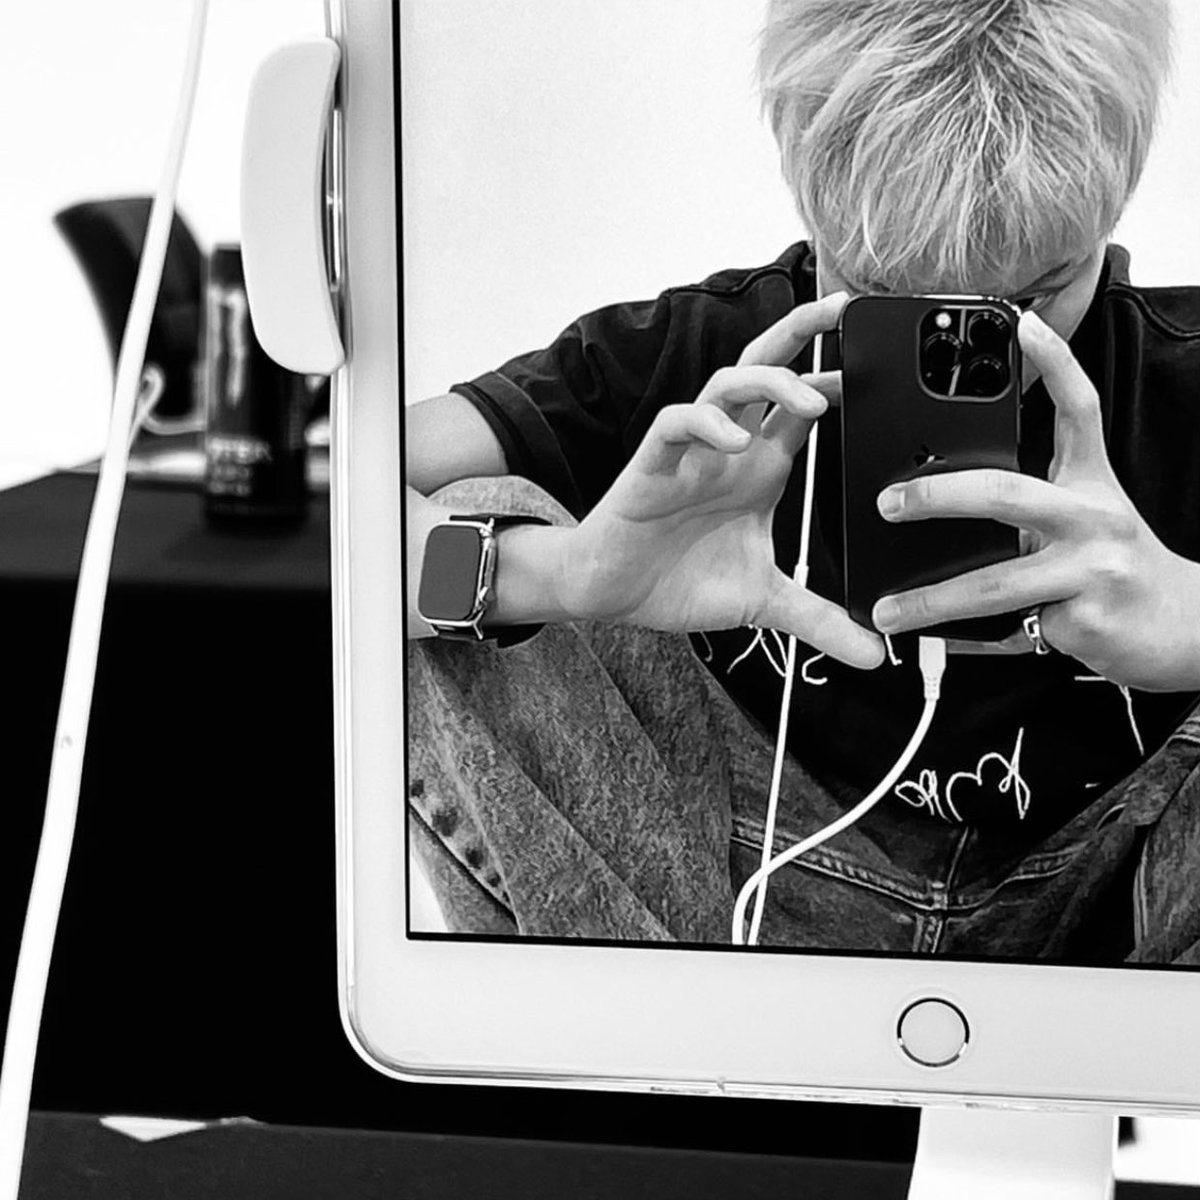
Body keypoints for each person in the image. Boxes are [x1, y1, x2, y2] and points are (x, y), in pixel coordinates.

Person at [403, 0, 1200, 964]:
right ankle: (667, 1038)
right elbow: (337, 509)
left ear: (1115, 207)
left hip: (1107, 916)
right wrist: (562, 574)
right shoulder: (702, 360)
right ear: (811, 205)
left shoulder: (1183, 375)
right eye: (883, 294)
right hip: (719, 894)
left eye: (1030, 299)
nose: (964, 351)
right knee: (469, 535)